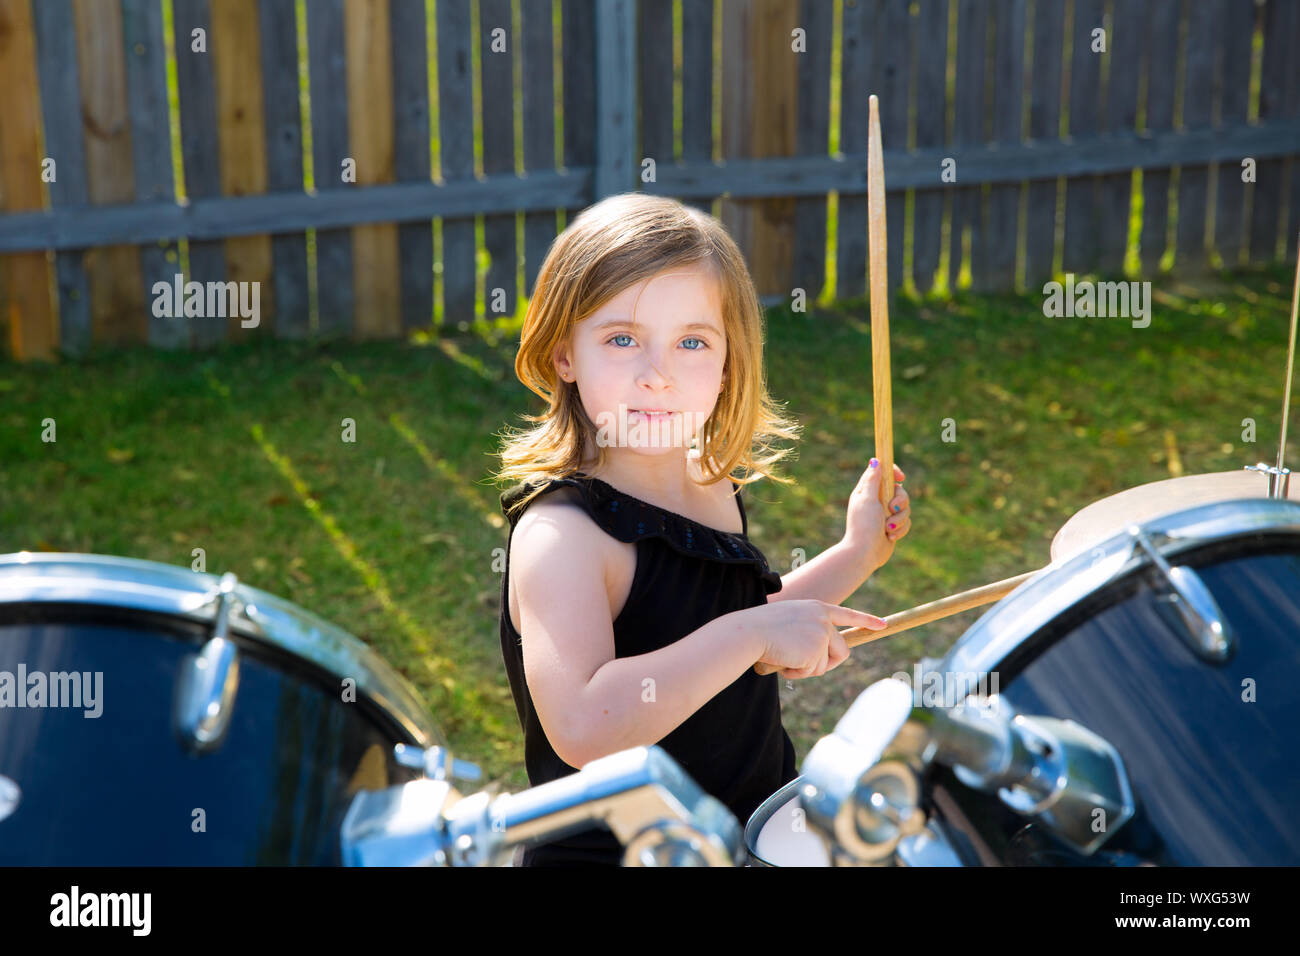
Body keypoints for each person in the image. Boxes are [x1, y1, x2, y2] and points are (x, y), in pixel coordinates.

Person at [490, 193, 911, 866]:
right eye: (622, 339)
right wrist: (750, 635)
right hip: (629, 853)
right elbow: (583, 725)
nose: (657, 376)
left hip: (750, 828)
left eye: (691, 342)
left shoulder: (711, 485)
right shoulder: (564, 535)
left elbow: (732, 628)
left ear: (726, 365)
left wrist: (859, 551)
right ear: (565, 353)